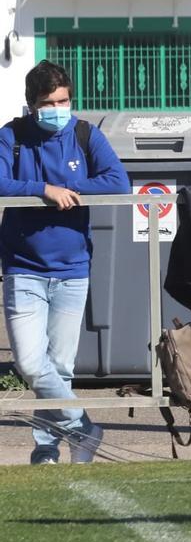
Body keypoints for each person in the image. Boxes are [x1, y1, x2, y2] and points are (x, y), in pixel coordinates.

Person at [0, 59, 131, 464]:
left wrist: (68, 187)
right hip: (23, 269)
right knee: (30, 363)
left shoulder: (84, 133)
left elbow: (117, 181)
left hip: (73, 270)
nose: (58, 107)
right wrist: (42, 189)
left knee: (59, 367)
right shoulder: (12, 136)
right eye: (49, 102)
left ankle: (46, 449)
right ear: (30, 105)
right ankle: (85, 428)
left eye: (64, 100)